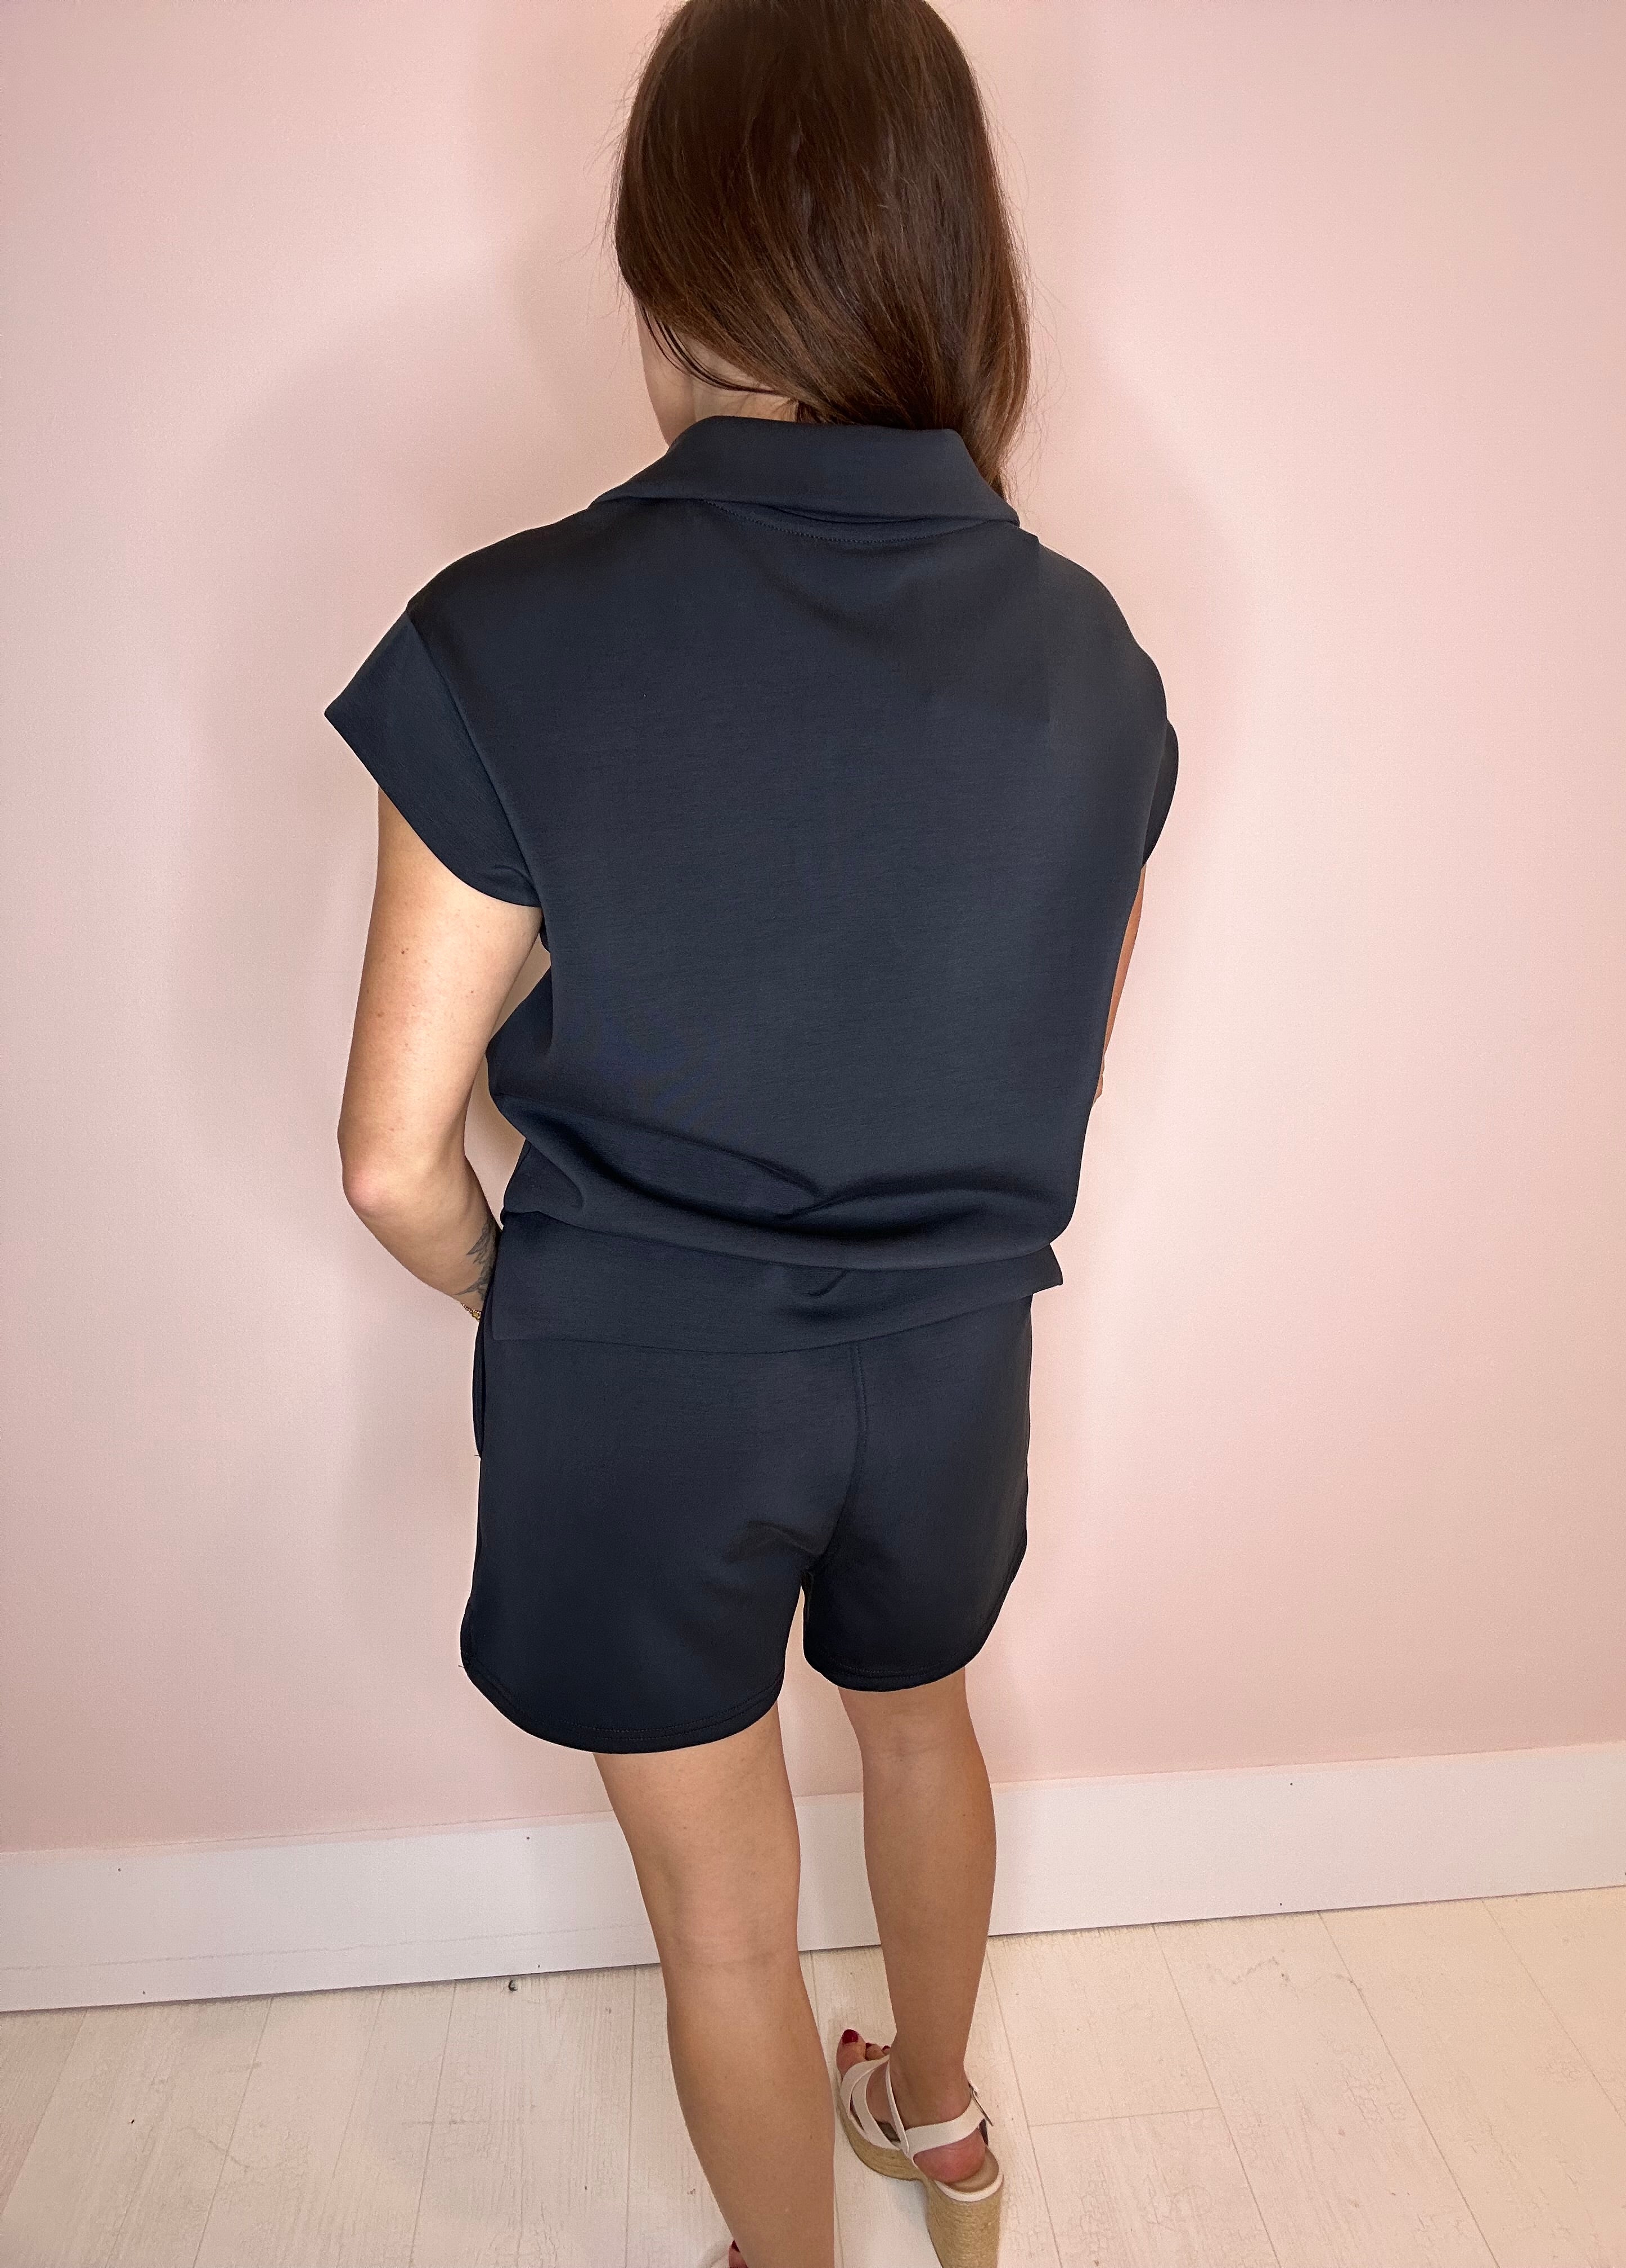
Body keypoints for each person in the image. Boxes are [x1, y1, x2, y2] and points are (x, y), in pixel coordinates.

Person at [327, 2, 1178, 2261]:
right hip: (951, 1358)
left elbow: (395, 1159)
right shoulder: (1094, 658)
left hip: (644, 1377)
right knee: (922, 1726)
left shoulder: (511, 632)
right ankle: (946, 2128)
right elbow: (1050, 1055)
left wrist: (539, 1305)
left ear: (667, 264)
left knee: (722, 1919)